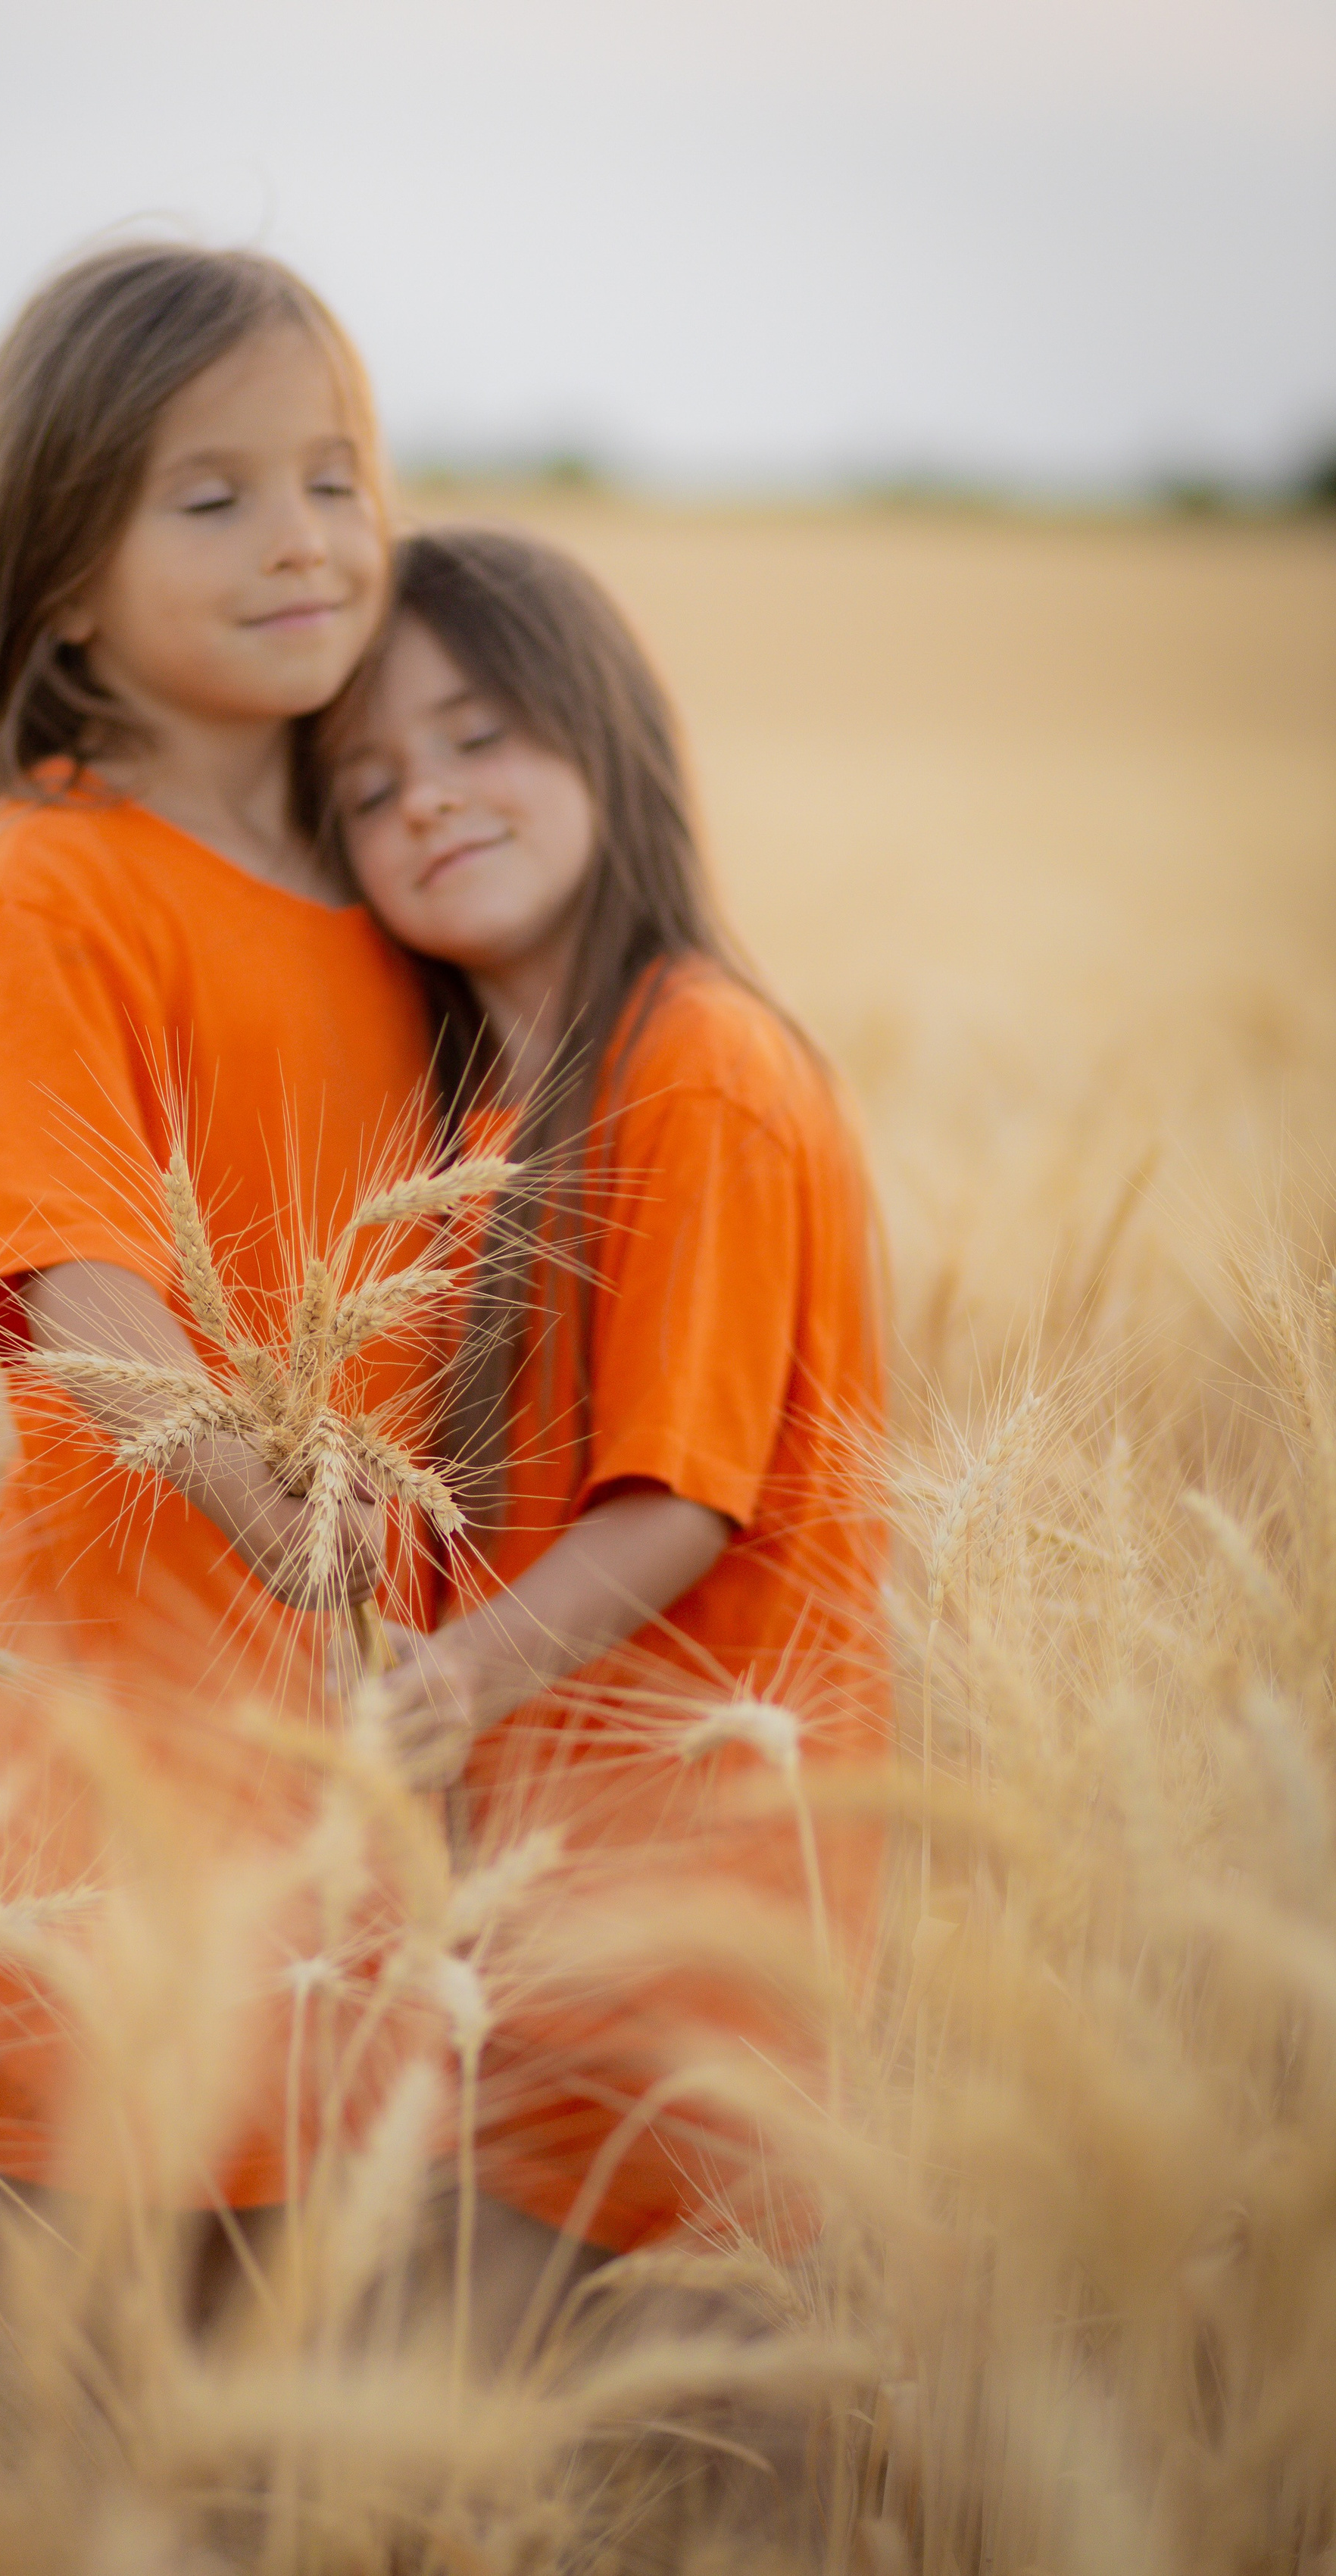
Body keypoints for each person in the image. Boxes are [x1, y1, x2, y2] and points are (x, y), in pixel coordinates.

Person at [0, 244, 441, 2216]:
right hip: (121, 1706)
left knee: (299, 2301)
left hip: (367, 1721)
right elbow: (65, 1260)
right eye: (211, 498)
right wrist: (239, 1466)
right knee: (81, 2297)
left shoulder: (404, 869)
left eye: (337, 475)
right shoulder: (58, 881)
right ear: (63, 577)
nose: (301, 539)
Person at [322, 523, 891, 2275]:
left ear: (606, 734)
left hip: (675, 1908)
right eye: (363, 784)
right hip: (533, 1897)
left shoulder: (694, 1067)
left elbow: (677, 1497)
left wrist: (444, 1686)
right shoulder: (489, 1123)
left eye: (479, 733)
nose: (425, 795)